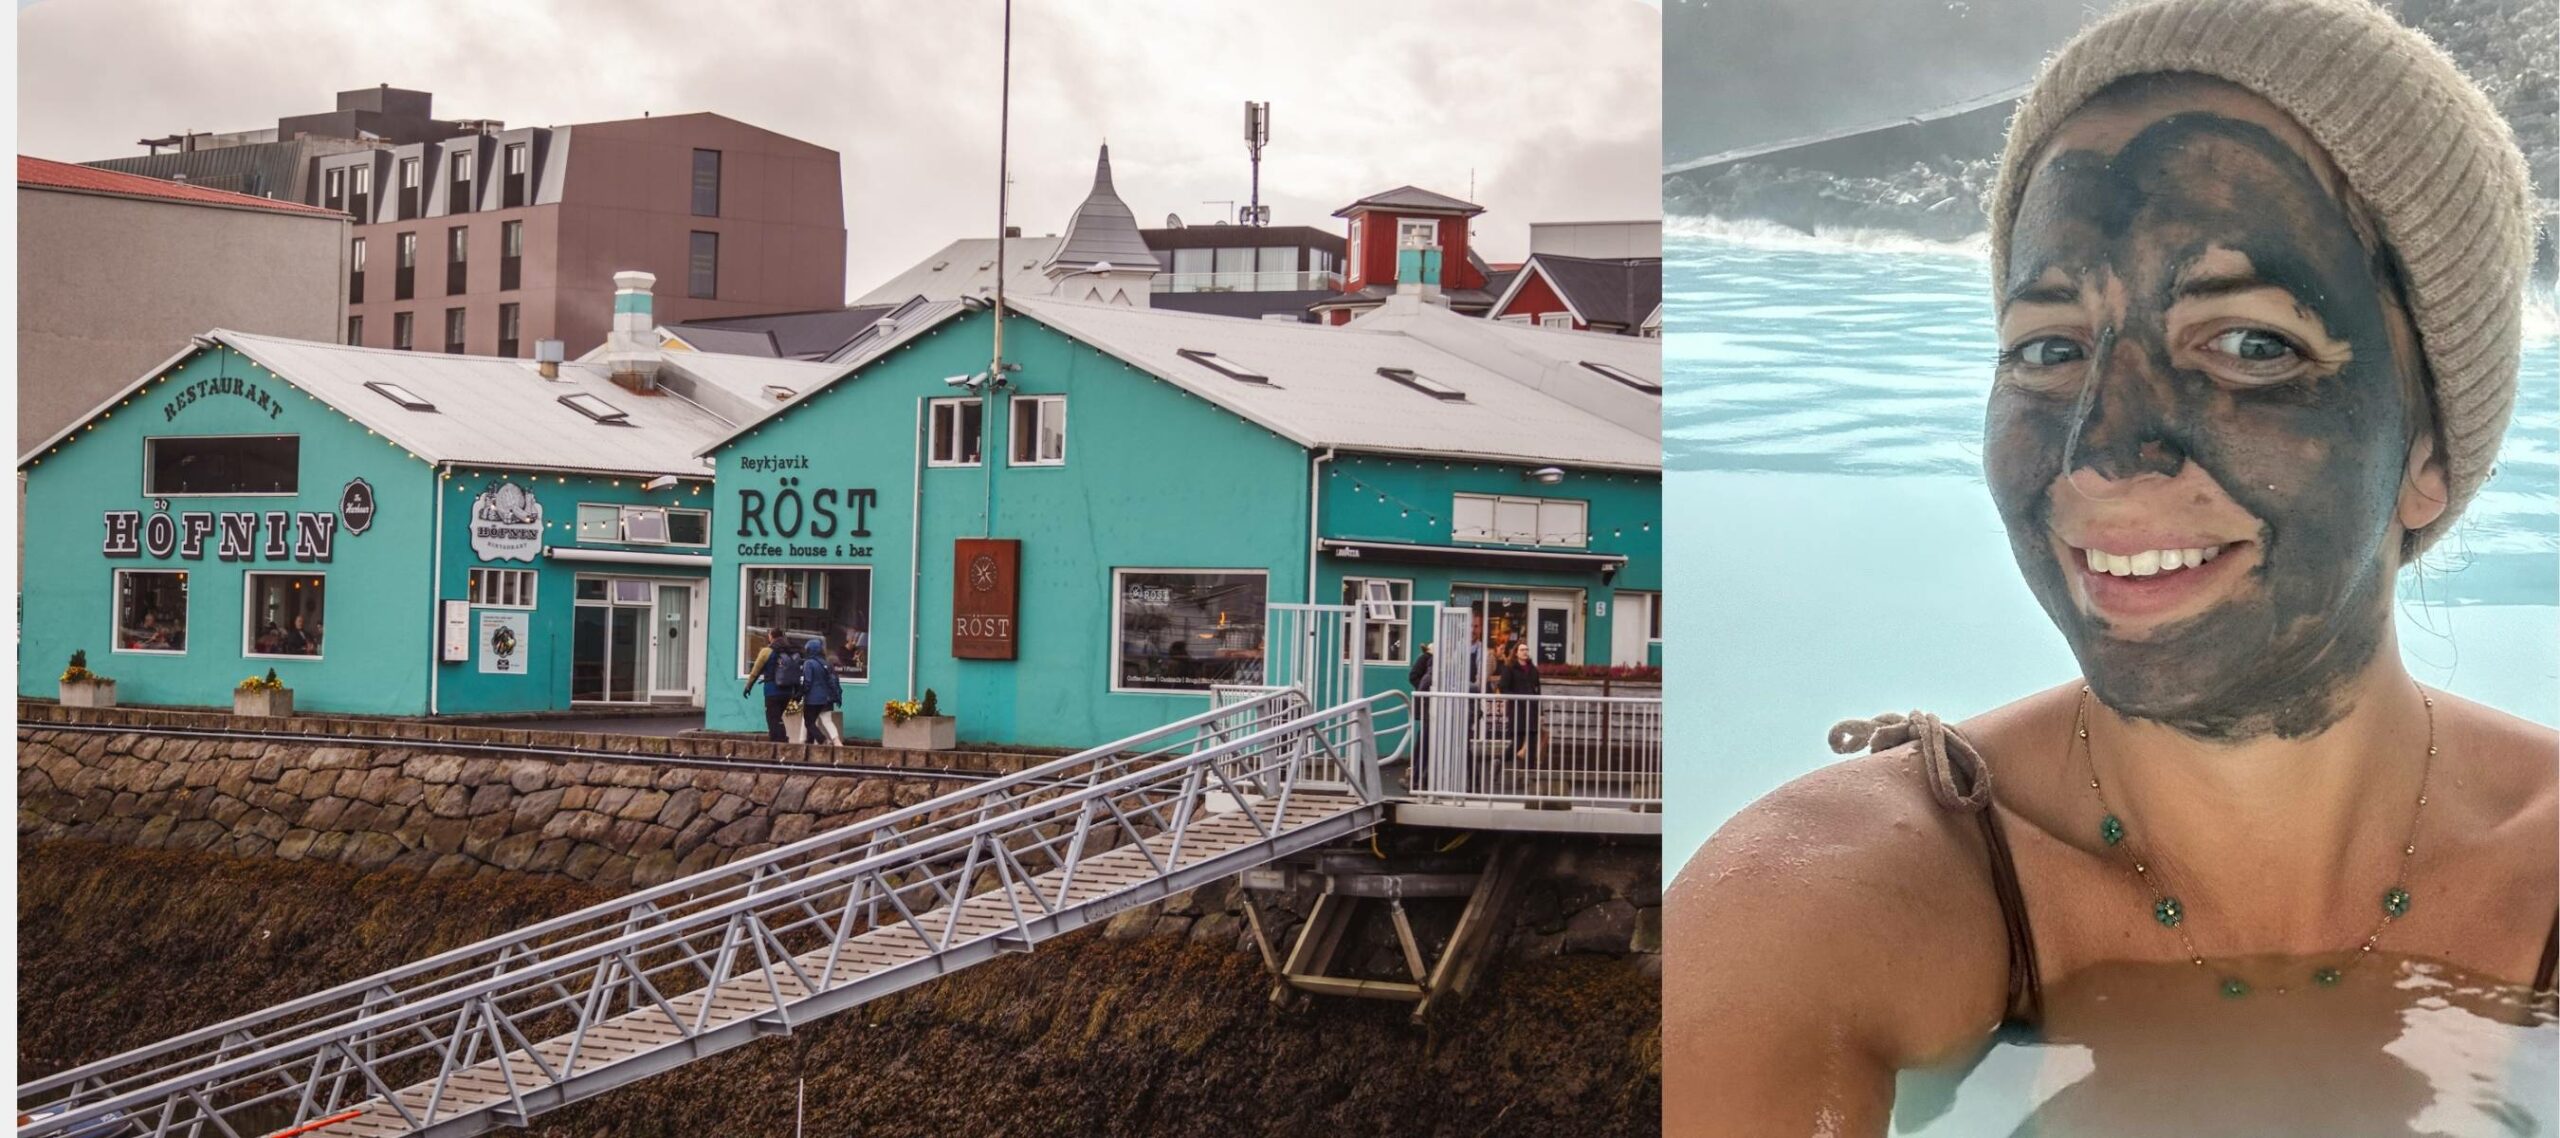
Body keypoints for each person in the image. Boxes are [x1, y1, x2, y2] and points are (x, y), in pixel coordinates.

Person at [1667, 1, 2555, 1133]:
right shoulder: (1842, 896)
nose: (2099, 453)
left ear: (2426, 451)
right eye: (2049, 348)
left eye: (2248, 343)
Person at [741, 636, 805, 742]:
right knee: (777, 717)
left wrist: (748, 686)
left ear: (771, 638)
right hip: (788, 692)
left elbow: (755, 671)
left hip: (772, 691)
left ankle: (780, 741)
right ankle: (777, 740)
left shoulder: (767, 652)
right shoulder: (791, 653)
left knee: (772, 719)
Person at [1498, 642, 1541, 764]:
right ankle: (1499, 761)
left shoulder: (1533, 670)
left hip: (1531, 709)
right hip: (1517, 709)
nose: (1525, 652)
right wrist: (1515, 698)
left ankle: (1530, 773)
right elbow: (1503, 687)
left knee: (1532, 742)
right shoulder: (1510, 668)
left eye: (1526, 649)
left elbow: (1538, 690)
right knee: (1517, 742)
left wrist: (1540, 711)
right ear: (1516, 652)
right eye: (1522, 650)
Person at [800, 642, 845, 746]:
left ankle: (805, 740)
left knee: (807, 720)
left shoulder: (809, 663)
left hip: (813, 698)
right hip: (827, 698)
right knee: (827, 720)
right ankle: (837, 741)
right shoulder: (827, 663)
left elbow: (807, 682)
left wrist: (801, 693)